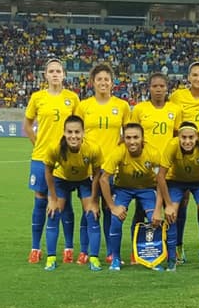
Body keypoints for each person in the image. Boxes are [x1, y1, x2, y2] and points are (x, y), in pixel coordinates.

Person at [24, 58, 80, 264]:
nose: (55, 74)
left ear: (64, 75)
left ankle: (68, 248)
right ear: (45, 75)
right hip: (41, 158)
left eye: (58, 71)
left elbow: (79, 128)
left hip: (66, 159)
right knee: (40, 200)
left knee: (65, 202)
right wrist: (37, 144)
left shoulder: (72, 98)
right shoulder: (38, 97)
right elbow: (28, 125)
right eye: (51, 71)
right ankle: (36, 248)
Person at [75, 63, 131, 264]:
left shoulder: (122, 106)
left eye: (107, 79)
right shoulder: (83, 106)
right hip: (89, 167)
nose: (103, 82)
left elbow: (129, 135)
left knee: (110, 209)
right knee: (89, 208)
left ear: (112, 82)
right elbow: (77, 134)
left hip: (112, 168)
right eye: (99, 79)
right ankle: (84, 250)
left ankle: (110, 251)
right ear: (93, 82)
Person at [129, 72, 183, 264]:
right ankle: (136, 250)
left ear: (167, 88)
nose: (158, 89)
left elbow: (178, 137)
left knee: (174, 208)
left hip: (168, 167)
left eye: (162, 86)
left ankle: (172, 248)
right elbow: (132, 136)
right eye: (155, 86)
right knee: (141, 208)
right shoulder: (139, 109)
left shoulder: (175, 110)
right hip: (145, 167)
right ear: (149, 88)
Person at [43, 115, 104, 272]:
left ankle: (94, 258)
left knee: (92, 214)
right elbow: (48, 172)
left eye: (77, 132)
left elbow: (97, 174)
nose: (73, 136)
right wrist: (52, 198)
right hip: (62, 179)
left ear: (83, 133)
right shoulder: (54, 148)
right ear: (64, 132)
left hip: (84, 180)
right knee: (53, 213)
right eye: (69, 132)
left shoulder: (93, 149)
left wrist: (94, 200)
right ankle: (51, 259)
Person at [99, 123, 163, 271]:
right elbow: (103, 179)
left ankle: (153, 259)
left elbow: (161, 179)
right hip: (123, 189)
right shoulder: (118, 152)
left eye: (136, 137)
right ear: (124, 138)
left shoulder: (152, 153)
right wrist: (112, 207)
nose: (132, 141)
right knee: (116, 219)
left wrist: (158, 209)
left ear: (143, 139)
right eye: (128, 137)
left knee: (154, 219)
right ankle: (115, 259)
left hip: (146, 189)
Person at [169, 62, 199, 264]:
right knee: (182, 202)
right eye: (195, 74)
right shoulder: (178, 96)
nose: (198, 78)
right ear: (189, 77)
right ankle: (177, 247)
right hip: (181, 154)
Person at [156, 122, 199, 272]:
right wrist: (168, 205)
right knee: (172, 214)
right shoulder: (172, 146)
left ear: (197, 138)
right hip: (176, 181)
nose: (187, 141)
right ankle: (171, 260)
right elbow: (161, 176)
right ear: (178, 137)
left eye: (191, 137)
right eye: (183, 137)